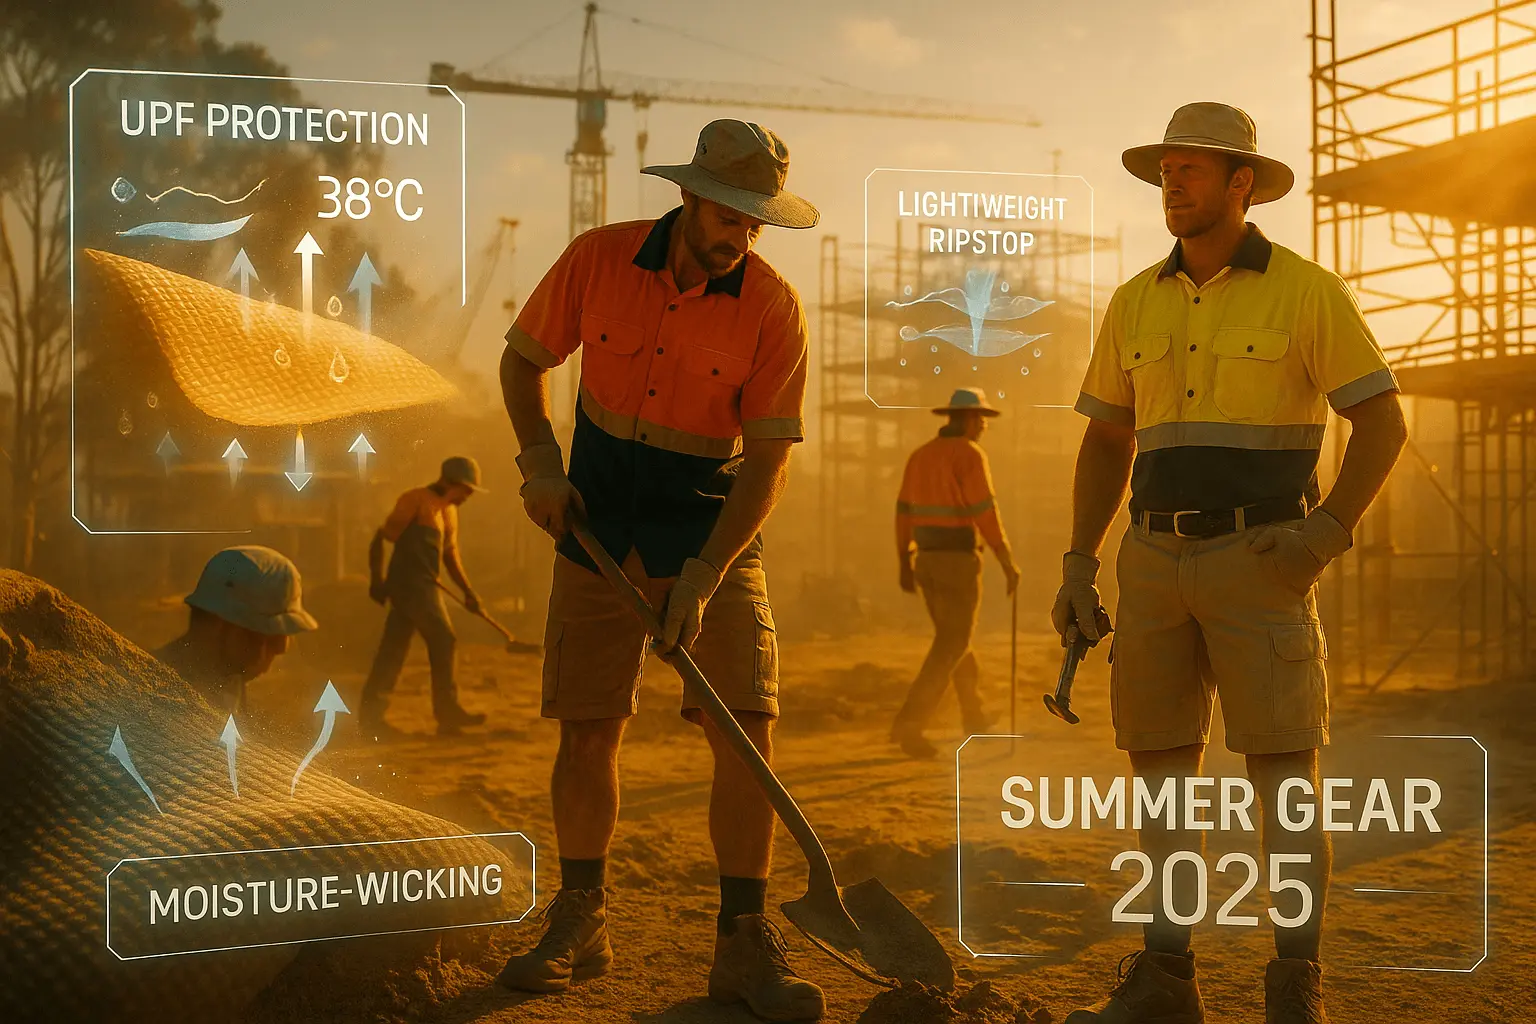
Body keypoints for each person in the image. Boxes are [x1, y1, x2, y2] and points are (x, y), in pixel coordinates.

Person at [1057, 102, 1407, 1024]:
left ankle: (1295, 986)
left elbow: (1382, 421)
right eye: (1165, 171)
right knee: (1163, 774)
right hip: (1151, 561)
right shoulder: (1135, 298)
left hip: (1264, 560)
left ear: (1241, 184)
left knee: (1284, 780)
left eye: (1192, 171)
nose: (1172, 184)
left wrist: (1320, 537)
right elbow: (1105, 443)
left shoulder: (1305, 291)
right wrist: (1077, 565)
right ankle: (1167, 979)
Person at [496, 119, 824, 1022]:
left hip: (712, 533)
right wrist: (538, 466)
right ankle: (581, 917)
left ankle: (743, 944)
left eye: (758, 224)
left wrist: (707, 575)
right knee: (588, 728)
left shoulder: (773, 307)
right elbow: (522, 363)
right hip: (596, 523)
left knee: (748, 730)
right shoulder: (597, 260)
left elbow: (766, 463)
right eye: (731, 215)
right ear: (688, 197)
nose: (741, 237)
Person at [891, 386, 1020, 758]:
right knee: (952, 643)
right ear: (967, 419)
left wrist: (904, 560)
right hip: (958, 562)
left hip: (926, 561)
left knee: (954, 640)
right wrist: (1007, 560)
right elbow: (985, 512)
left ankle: (974, 716)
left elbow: (903, 512)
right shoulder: (969, 454)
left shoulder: (920, 456)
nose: (983, 426)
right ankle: (910, 724)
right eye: (981, 419)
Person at [358, 456, 488, 740]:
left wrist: (469, 593)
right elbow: (381, 539)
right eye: (465, 490)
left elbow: (450, 557)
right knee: (444, 639)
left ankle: (371, 718)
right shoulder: (414, 500)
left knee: (394, 648)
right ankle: (447, 713)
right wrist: (376, 580)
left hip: (427, 586)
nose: (467, 497)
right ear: (449, 482)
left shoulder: (450, 513)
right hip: (408, 585)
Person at [155, 545, 317, 717]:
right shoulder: (157, 696)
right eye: (268, 636)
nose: (282, 648)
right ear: (219, 623)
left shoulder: (228, 681)